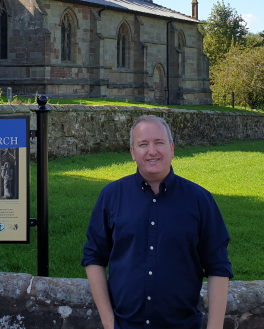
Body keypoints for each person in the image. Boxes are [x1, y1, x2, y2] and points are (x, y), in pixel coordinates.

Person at [82, 115, 232, 329]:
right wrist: (109, 324)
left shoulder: (200, 200)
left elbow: (218, 266)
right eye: (143, 144)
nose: (152, 151)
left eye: (159, 143)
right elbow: (94, 257)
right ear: (133, 153)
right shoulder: (111, 196)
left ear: (172, 149)